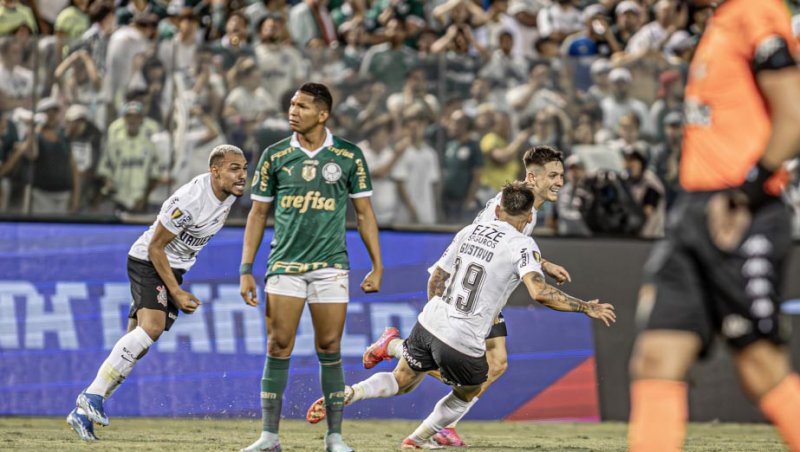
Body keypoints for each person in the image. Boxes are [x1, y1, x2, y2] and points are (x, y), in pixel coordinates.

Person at [306, 182, 616, 449]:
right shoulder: (523, 243)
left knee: (403, 380)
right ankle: (418, 437)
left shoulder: (470, 230)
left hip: (430, 322)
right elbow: (540, 292)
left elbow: (436, 279)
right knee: (469, 388)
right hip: (462, 340)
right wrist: (586, 307)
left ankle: (351, 391)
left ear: (497, 210)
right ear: (528, 217)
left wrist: (437, 318)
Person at [628, 1, 800, 451]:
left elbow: (795, 112)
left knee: (760, 365)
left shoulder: (756, 9)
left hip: (741, 209)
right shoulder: (719, 20)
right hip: (692, 211)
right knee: (655, 357)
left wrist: (747, 193)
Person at [66, 145, 248, 441]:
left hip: (172, 268)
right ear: (214, 171)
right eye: (234, 169)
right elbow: (155, 247)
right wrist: (176, 292)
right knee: (152, 327)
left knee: (137, 344)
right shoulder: (191, 200)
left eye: (244, 168)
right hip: (149, 261)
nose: (242, 176)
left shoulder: (227, 195)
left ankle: (84, 410)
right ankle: (92, 397)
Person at [238, 82, 383, 452]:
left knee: (330, 345)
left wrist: (376, 266)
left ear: (323, 114)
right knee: (278, 343)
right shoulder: (274, 155)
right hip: (284, 264)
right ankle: (269, 436)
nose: (293, 111)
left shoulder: (348, 156)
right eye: (291, 105)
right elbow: (257, 214)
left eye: (301, 106)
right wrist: (245, 268)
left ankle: (334, 437)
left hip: (331, 266)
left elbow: (364, 214)